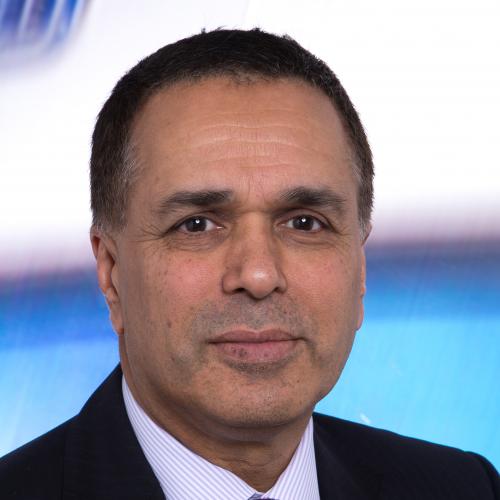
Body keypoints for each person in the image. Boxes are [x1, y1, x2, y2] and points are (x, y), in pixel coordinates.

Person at [0, 28, 498, 500]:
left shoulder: (462, 488)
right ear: (111, 274)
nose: (259, 275)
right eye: (197, 225)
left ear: (360, 267)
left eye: (305, 223)